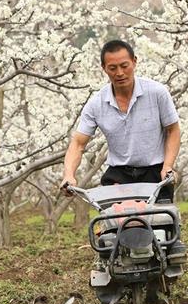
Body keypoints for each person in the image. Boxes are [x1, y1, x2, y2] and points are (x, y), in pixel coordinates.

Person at [61, 39, 180, 201]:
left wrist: (168, 166)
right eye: (112, 68)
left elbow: (173, 130)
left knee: (161, 221)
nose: (119, 73)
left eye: (124, 66)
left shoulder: (157, 92)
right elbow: (78, 143)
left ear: (134, 62)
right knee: (113, 222)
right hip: (119, 176)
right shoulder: (96, 104)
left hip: (156, 173)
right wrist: (69, 175)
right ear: (104, 69)